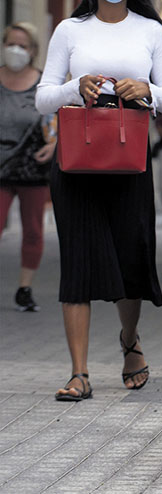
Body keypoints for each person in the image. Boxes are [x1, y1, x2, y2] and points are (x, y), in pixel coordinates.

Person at [36, 0, 162, 402]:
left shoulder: (150, 30)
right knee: (77, 261)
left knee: (131, 255)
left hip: (129, 160)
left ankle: (130, 341)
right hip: (76, 162)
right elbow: (43, 97)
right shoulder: (70, 30)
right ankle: (79, 373)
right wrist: (75, 87)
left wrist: (145, 89)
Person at [1, 22, 57, 312]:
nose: (15, 50)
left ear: (33, 50)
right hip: (0, 170)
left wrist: (55, 144)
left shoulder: (43, 84)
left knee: (33, 230)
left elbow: (58, 119)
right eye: (11, 44)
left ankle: (25, 288)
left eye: (22, 46)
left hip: (33, 168)